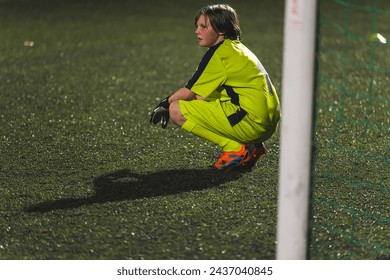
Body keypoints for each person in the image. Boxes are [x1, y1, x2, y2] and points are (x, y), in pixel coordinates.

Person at [150, 4, 281, 172]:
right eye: (196, 26)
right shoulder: (237, 48)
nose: (197, 31)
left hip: (252, 123)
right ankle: (252, 146)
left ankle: (235, 149)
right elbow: (201, 96)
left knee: (176, 109)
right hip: (267, 123)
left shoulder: (218, 54)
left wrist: (165, 103)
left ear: (221, 29)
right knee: (204, 98)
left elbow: (189, 92)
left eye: (203, 26)